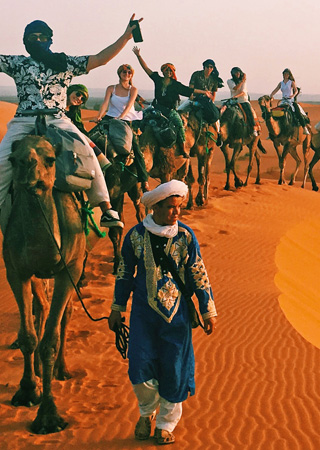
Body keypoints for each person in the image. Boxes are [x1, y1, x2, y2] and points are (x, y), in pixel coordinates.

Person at [0, 17, 135, 249]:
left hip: (58, 119)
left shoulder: (66, 63)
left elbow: (101, 59)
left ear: (50, 40)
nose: (38, 41)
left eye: (42, 37)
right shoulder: (17, 63)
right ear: (25, 42)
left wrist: (125, 36)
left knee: (87, 154)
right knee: (0, 165)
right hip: (24, 121)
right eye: (33, 38)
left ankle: (107, 210)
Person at [110, 179, 217, 446]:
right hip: (143, 316)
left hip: (177, 317)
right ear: (155, 208)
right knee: (139, 367)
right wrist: (116, 308)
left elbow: (198, 273)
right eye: (171, 207)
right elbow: (124, 273)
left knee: (175, 369)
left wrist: (207, 310)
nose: (176, 212)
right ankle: (147, 413)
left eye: (179, 206)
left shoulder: (186, 236)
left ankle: (165, 425)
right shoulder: (135, 236)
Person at [93, 64, 143, 157]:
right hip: (110, 117)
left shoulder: (133, 90)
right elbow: (105, 103)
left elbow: (129, 106)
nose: (127, 74)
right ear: (119, 73)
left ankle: (141, 171)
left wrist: (120, 118)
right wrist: (99, 116)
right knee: (92, 137)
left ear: (131, 75)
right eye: (124, 72)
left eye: (129, 72)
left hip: (126, 119)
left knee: (136, 149)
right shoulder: (111, 88)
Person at [180, 59, 225, 145]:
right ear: (204, 67)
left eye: (211, 67)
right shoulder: (196, 75)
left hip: (207, 101)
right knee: (180, 110)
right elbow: (191, 88)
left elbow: (213, 94)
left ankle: (218, 135)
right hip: (194, 98)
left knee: (216, 117)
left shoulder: (214, 79)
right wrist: (194, 95)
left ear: (213, 68)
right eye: (207, 66)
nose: (209, 68)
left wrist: (210, 100)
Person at [269, 68, 311, 136]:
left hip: (290, 101)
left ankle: (304, 128)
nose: (285, 75)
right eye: (284, 74)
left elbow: (296, 90)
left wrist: (293, 95)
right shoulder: (281, 83)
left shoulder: (291, 82)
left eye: (287, 74)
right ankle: (272, 132)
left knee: (297, 112)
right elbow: (276, 89)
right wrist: (271, 95)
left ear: (289, 75)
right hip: (283, 100)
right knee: (275, 113)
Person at [221, 67, 260, 137]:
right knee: (223, 110)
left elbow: (243, 92)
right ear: (233, 74)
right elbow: (235, 88)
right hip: (233, 101)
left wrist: (242, 81)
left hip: (243, 100)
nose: (237, 74)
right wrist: (242, 81)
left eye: (238, 72)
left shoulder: (243, 81)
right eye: (236, 73)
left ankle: (253, 128)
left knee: (249, 112)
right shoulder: (229, 81)